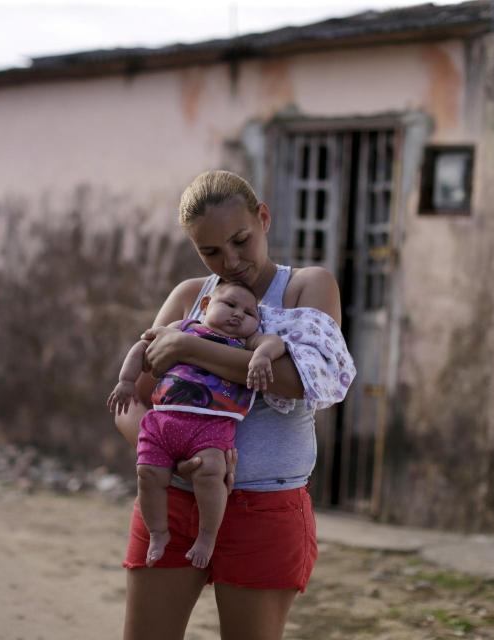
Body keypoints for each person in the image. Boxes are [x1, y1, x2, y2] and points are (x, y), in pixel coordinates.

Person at [114, 170, 353, 640]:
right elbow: (134, 399)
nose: (232, 260)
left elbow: (300, 380)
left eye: (241, 240)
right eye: (211, 251)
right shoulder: (189, 297)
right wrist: (169, 458)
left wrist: (190, 349)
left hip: (265, 509)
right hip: (174, 503)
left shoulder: (308, 288)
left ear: (263, 217)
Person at [107, 280, 285, 570]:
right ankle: (158, 532)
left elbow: (273, 342)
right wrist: (126, 381)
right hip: (163, 421)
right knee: (148, 474)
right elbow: (143, 345)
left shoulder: (245, 344)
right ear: (205, 306)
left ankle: (206, 537)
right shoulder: (184, 327)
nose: (238, 314)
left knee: (212, 473)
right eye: (229, 305)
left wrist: (263, 355)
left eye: (249, 313)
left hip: (212, 426)